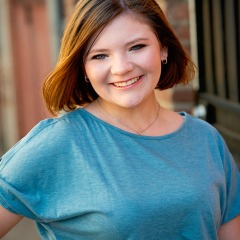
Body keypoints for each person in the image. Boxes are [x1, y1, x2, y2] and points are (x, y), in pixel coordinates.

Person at [0, 0, 239, 239]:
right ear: (83, 68)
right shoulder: (58, 141)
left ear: (163, 48)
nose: (121, 68)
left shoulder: (205, 138)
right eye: (100, 55)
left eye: (136, 47)